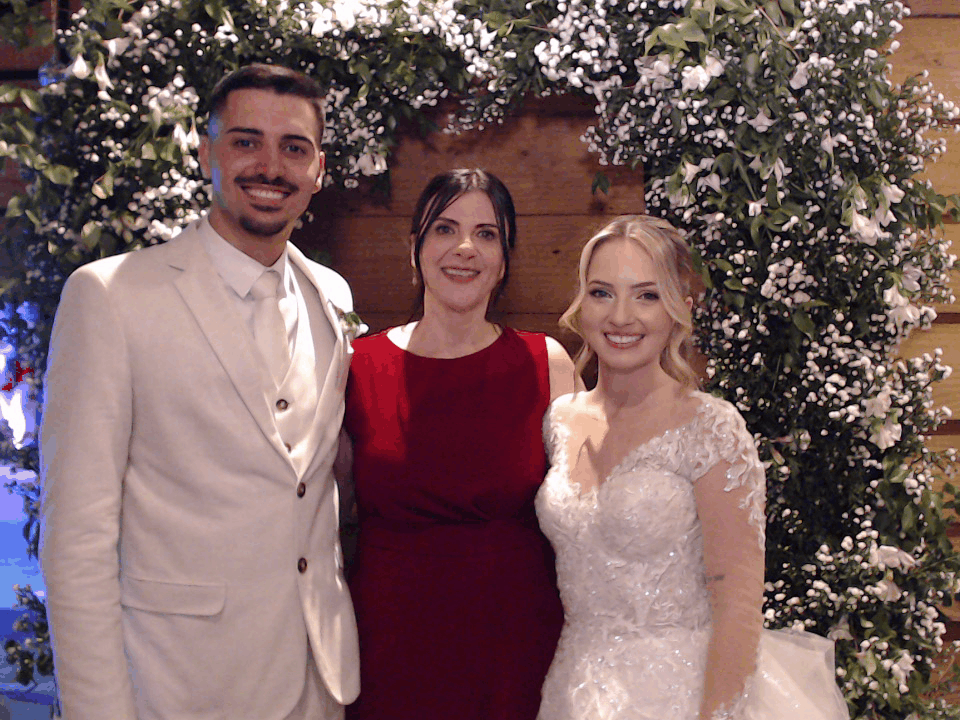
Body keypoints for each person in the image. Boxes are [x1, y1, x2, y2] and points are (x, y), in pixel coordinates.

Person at [39, 64, 359, 720]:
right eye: (246, 142)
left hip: (318, 682)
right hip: (179, 687)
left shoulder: (332, 295)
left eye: (293, 148)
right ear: (206, 152)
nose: (269, 166)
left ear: (318, 170)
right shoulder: (111, 297)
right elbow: (76, 540)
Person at [535, 215, 849, 719]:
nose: (621, 316)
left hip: (684, 693)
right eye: (601, 293)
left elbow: (737, 603)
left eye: (646, 295)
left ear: (678, 308)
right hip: (574, 688)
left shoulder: (710, 428)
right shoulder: (560, 420)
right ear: (581, 302)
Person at [342, 168, 579, 720]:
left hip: (518, 640)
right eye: (444, 229)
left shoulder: (546, 363)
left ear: (505, 258)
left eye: (486, 234)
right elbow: (328, 512)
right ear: (415, 248)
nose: (465, 248)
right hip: (389, 641)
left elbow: (587, 518)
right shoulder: (358, 366)